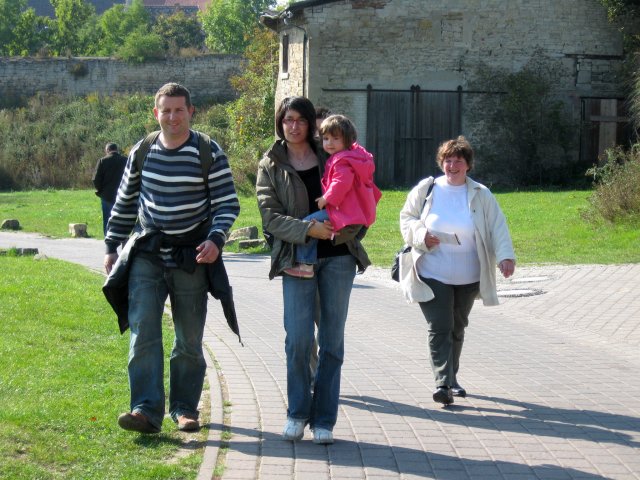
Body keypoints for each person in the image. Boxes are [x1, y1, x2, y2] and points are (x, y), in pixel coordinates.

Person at [103, 83, 240, 433]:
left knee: (189, 339)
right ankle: (145, 410)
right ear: (156, 113)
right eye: (166, 110)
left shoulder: (208, 150)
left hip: (192, 256)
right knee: (143, 331)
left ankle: (184, 408)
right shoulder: (143, 150)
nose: (172, 116)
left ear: (191, 112)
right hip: (147, 255)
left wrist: (215, 239)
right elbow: (125, 200)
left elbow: (227, 203)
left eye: (179, 110)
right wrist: (112, 245)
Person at [256, 96, 372, 444]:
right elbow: (270, 217)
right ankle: (297, 412)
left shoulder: (332, 155)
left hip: (338, 257)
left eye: (299, 120)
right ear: (280, 123)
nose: (293, 126)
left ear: (310, 123)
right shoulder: (270, 164)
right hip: (295, 259)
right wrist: (308, 230)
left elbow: (359, 197)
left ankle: (324, 420)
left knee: (332, 342)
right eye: (286, 119)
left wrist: (343, 231)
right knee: (298, 340)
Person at [399, 136, 515, 406]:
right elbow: (407, 219)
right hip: (431, 272)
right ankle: (442, 383)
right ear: (441, 163)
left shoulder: (481, 194)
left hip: (469, 275)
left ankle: (452, 377)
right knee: (440, 326)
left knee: (458, 326)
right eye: (447, 160)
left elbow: (498, 226)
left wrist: (506, 257)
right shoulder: (427, 189)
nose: (452, 166)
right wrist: (422, 237)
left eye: (458, 161)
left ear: (468, 165)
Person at [285, 114, 381, 278]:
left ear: (348, 140)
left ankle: (305, 264)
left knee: (308, 223)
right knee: (318, 225)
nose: (329, 143)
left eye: (335, 139)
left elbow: (341, 182)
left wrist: (326, 198)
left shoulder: (342, 160)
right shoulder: (355, 156)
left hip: (345, 211)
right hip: (353, 211)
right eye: (326, 138)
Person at [92, 142, 127, 235]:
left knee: (107, 219)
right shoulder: (125, 160)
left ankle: (108, 239)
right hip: (122, 195)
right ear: (116, 149)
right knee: (122, 219)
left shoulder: (103, 161)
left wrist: (100, 190)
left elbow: (96, 179)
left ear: (107, 150)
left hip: (107, 195)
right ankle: (122, 238)